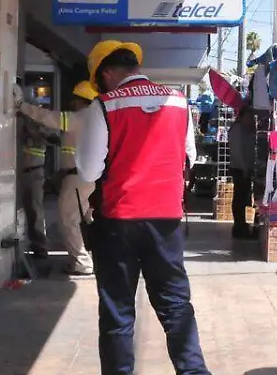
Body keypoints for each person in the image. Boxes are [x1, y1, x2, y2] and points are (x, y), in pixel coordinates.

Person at [77, 39, 211, 375]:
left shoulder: (103, 106)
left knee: (118, 313)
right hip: (166, 221)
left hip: (117, 222)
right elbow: (189, 158)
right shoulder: (179, 102)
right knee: (176, 306)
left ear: (106, 73)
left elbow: (89, 171)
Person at [16, 80, 99, 275]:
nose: (72, 104)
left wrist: (22, 107)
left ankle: (82, 263)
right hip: (89, 177)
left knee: (69, 220)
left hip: (77, 178)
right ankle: (95, 256)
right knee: (87, 218)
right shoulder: (95, 118)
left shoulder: (80, 118)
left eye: (75, 100)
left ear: (81, 100)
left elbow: (48, 117)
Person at [19, 113, 51, 259]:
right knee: (25, 210)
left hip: (35, 173)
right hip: (20, 173)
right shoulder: (21, 129)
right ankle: (28, 243)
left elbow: (47, 138)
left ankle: (40, 246)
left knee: (35, 209)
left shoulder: (41, 130)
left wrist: (31, 126)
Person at [227, 100, 260, 239]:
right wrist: (245, 168)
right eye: (249, 116)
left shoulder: (245, 129)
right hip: (240, 169)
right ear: (242, 116)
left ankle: (242, 226)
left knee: (243, 198)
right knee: (240, 199)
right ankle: (239, 227)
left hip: (244, 168)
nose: (251, 119)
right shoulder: (237, 130)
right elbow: (238, 151)